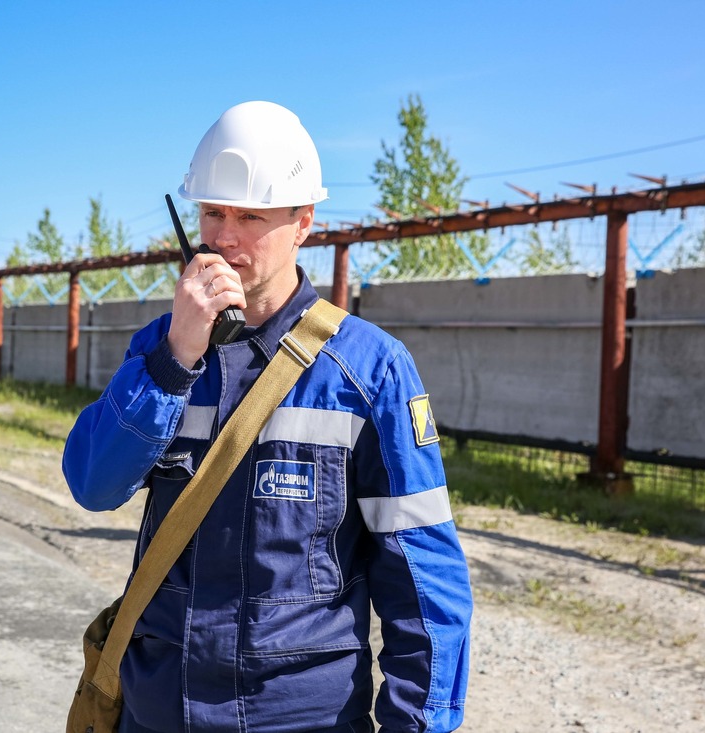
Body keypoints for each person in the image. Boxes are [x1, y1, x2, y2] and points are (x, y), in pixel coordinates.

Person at [62, 101, 472, 733]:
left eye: (251, 216)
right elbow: (93, 485)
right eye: (213, 213)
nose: (225, 237)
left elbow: (424, 583)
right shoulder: (160, 350)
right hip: (157, 712)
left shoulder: (369, 371)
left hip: (298, 719)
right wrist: (175, 360)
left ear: (303, 221)